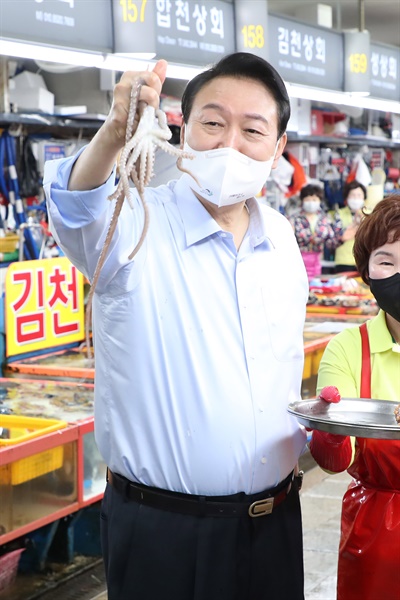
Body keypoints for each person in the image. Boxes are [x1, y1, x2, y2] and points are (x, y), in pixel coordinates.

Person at [43, 52, 309, 600]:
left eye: (253, 130)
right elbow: (72, 208)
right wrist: (115, 134)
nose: (229, 144)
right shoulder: (134, 220)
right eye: (213, 123)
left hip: (276, 523)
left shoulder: (281, 238)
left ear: (278, 148)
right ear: (184, 128)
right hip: (165, 532)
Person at [309, 193, 400, 600]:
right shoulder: (347, 348)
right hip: (374, 528)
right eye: (386, 261)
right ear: (366, 271)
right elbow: (336, 461)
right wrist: (328, 433)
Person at [289, 183, 337, 278]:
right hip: (298, 260)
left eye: (314, 199)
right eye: (308, 199)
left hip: (317, 261)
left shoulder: (325, 219)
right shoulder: (294, 219)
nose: (311, 202)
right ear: (302, 201)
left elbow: (331, 241)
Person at [330, 180, 367, 273]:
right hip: (344, 261)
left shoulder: (370, 214)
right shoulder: (339, 213)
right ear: (347, 197)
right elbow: (335, 238)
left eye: (359, 195)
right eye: (353, 195)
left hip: (365, 260)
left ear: (364, 197)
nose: (356, 198)